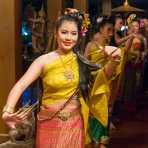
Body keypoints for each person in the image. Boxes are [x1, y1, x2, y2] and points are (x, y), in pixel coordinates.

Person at [2, 11, 121, 148]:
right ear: (56, 33)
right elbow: (21, 84)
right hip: (48, 123)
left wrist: (114, 60)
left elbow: (102, 78)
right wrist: (8, 110)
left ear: (78, 36)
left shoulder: (81, 62)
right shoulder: (43, 61)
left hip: (74, 123)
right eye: (64, 32)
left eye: (73, 33)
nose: (68, 37)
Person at [85, 17, 121, 148]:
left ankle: (102, 142)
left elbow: (115, 71)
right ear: (100, 29)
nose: (111, 33)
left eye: (112, 30)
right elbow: (84, 65)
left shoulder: (111, 49)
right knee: (93, 113)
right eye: (109, 30)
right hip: (93, 85)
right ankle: (93, 141)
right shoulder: (91, 45)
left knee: (105, 112)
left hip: (106, 85)